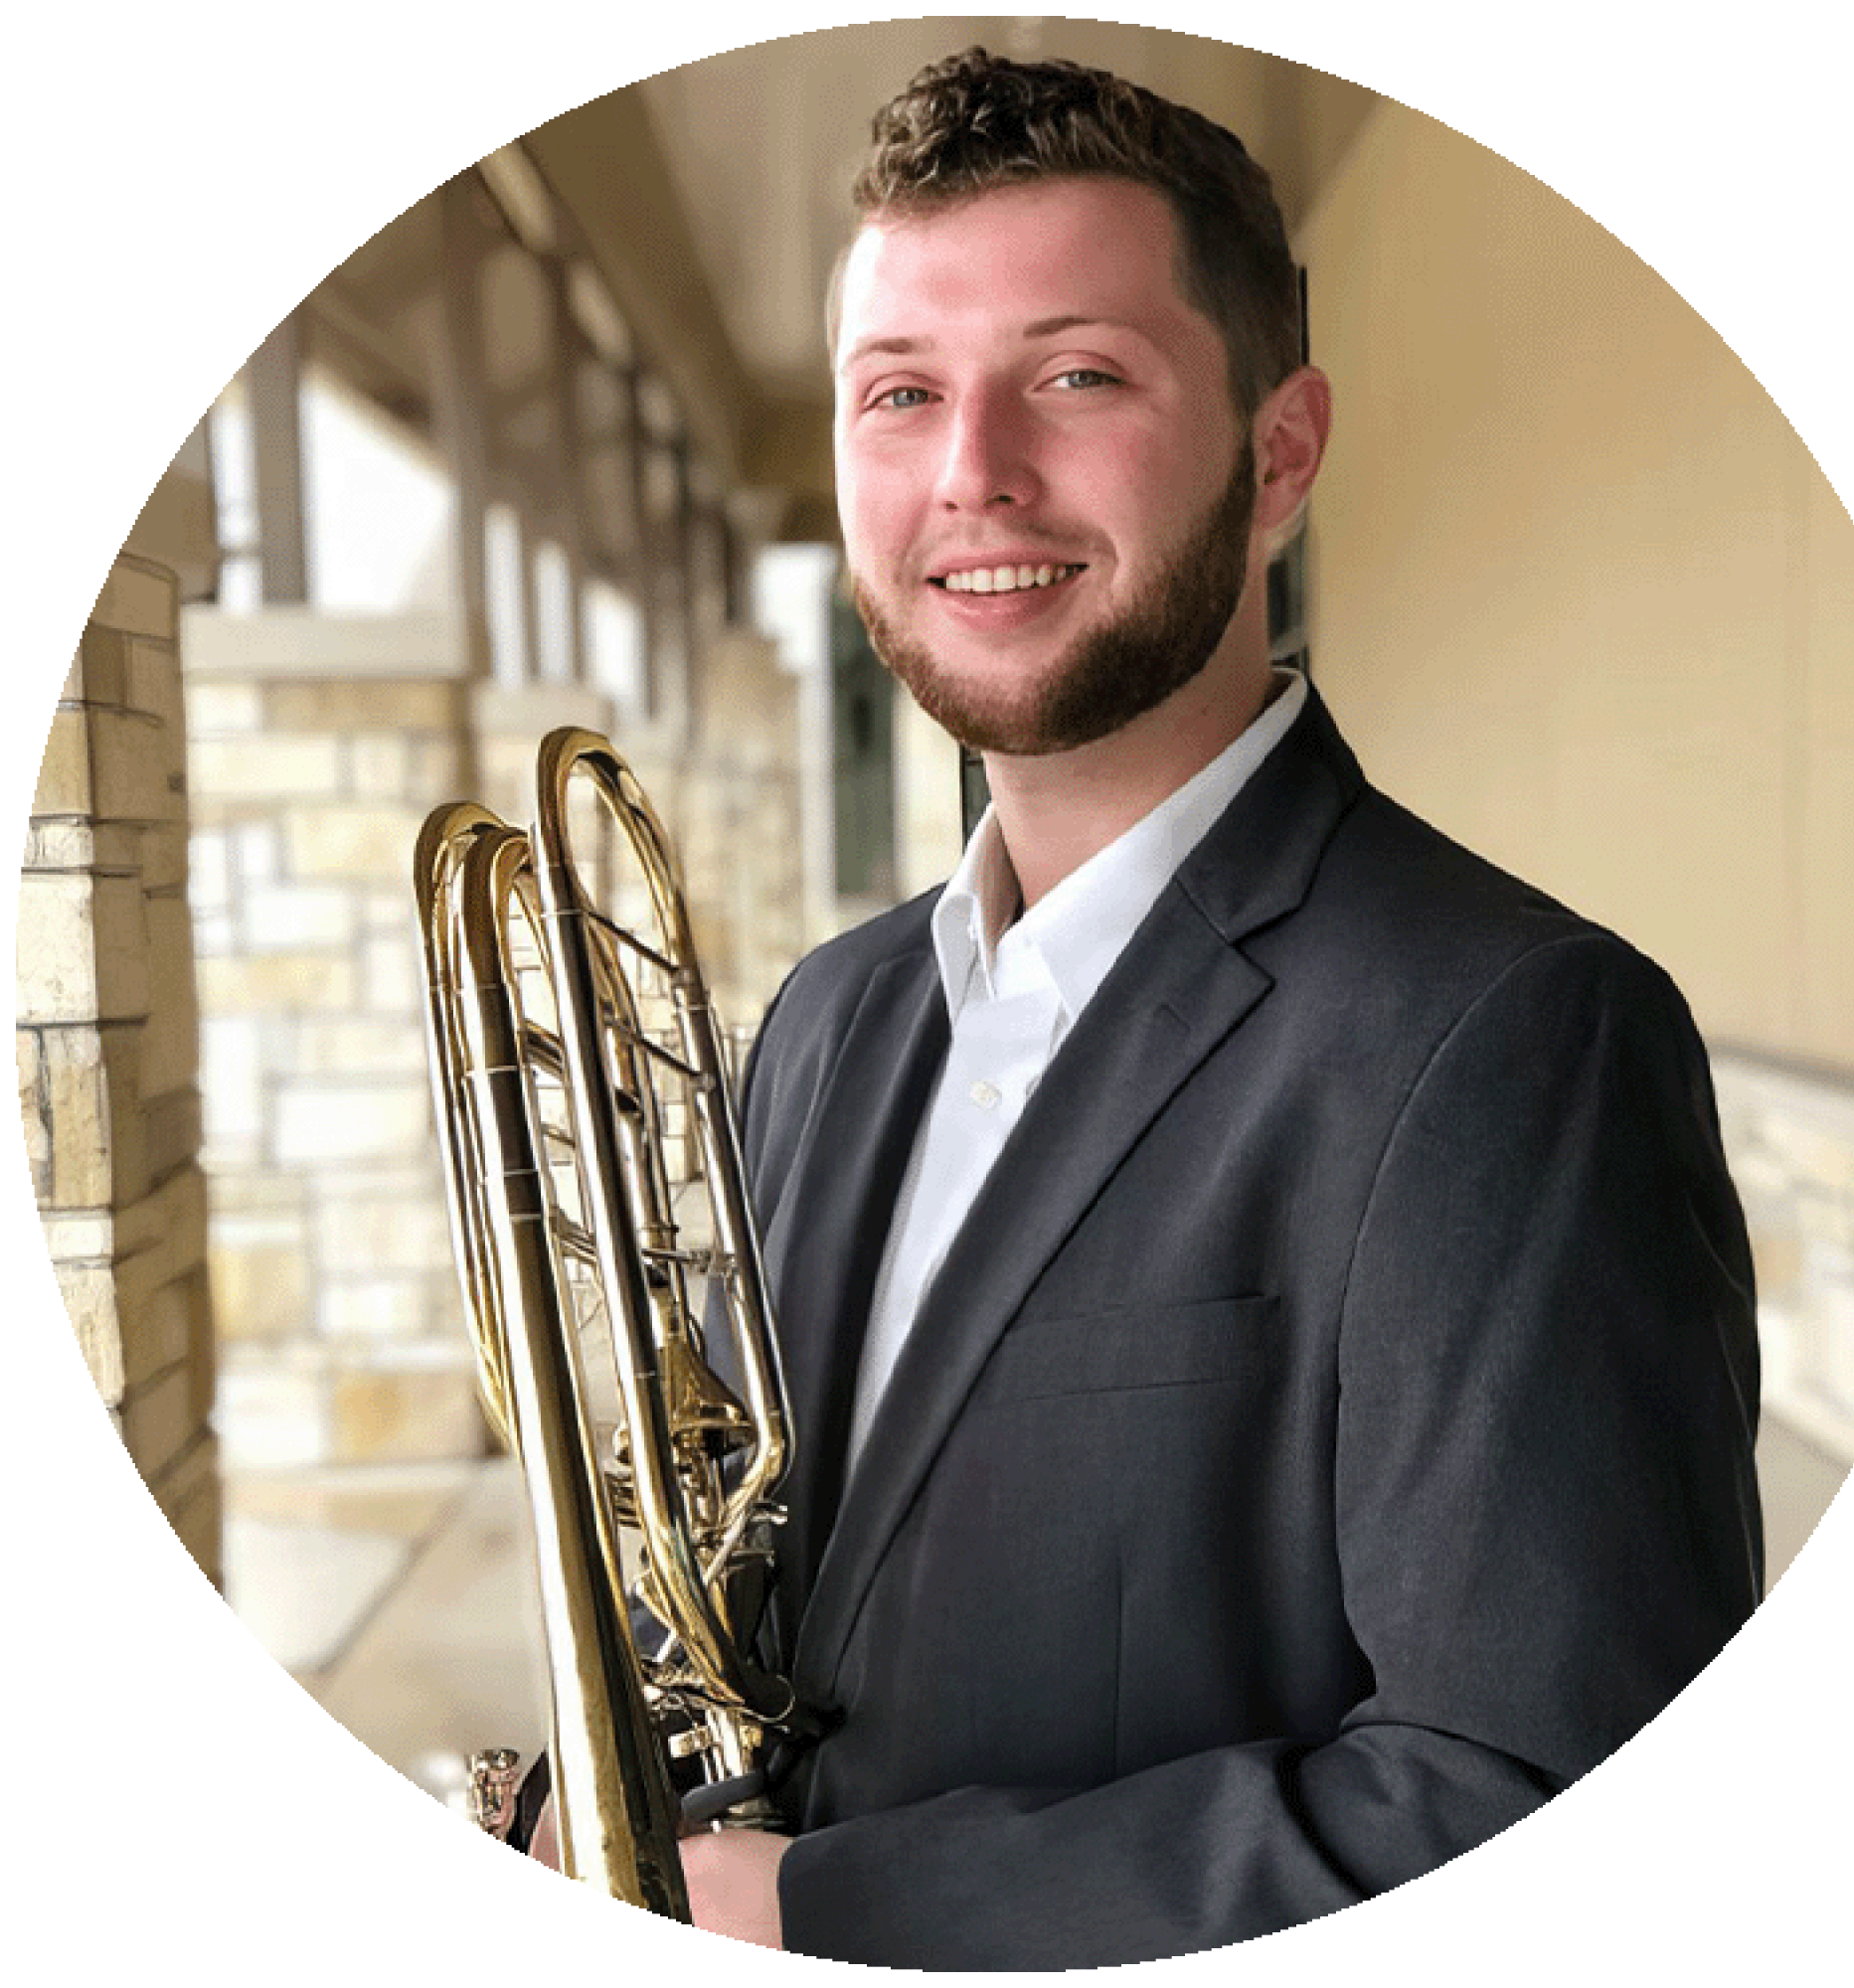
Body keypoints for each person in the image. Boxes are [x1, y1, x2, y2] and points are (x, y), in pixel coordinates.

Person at [676, 48, 1763, 1963]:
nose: (970, 473)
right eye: (899, 393)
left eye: (1078, 375)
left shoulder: (1514, 1036)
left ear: (1278, 451)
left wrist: (830, 1908)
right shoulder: (825, 1020)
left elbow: (1526, 1778)